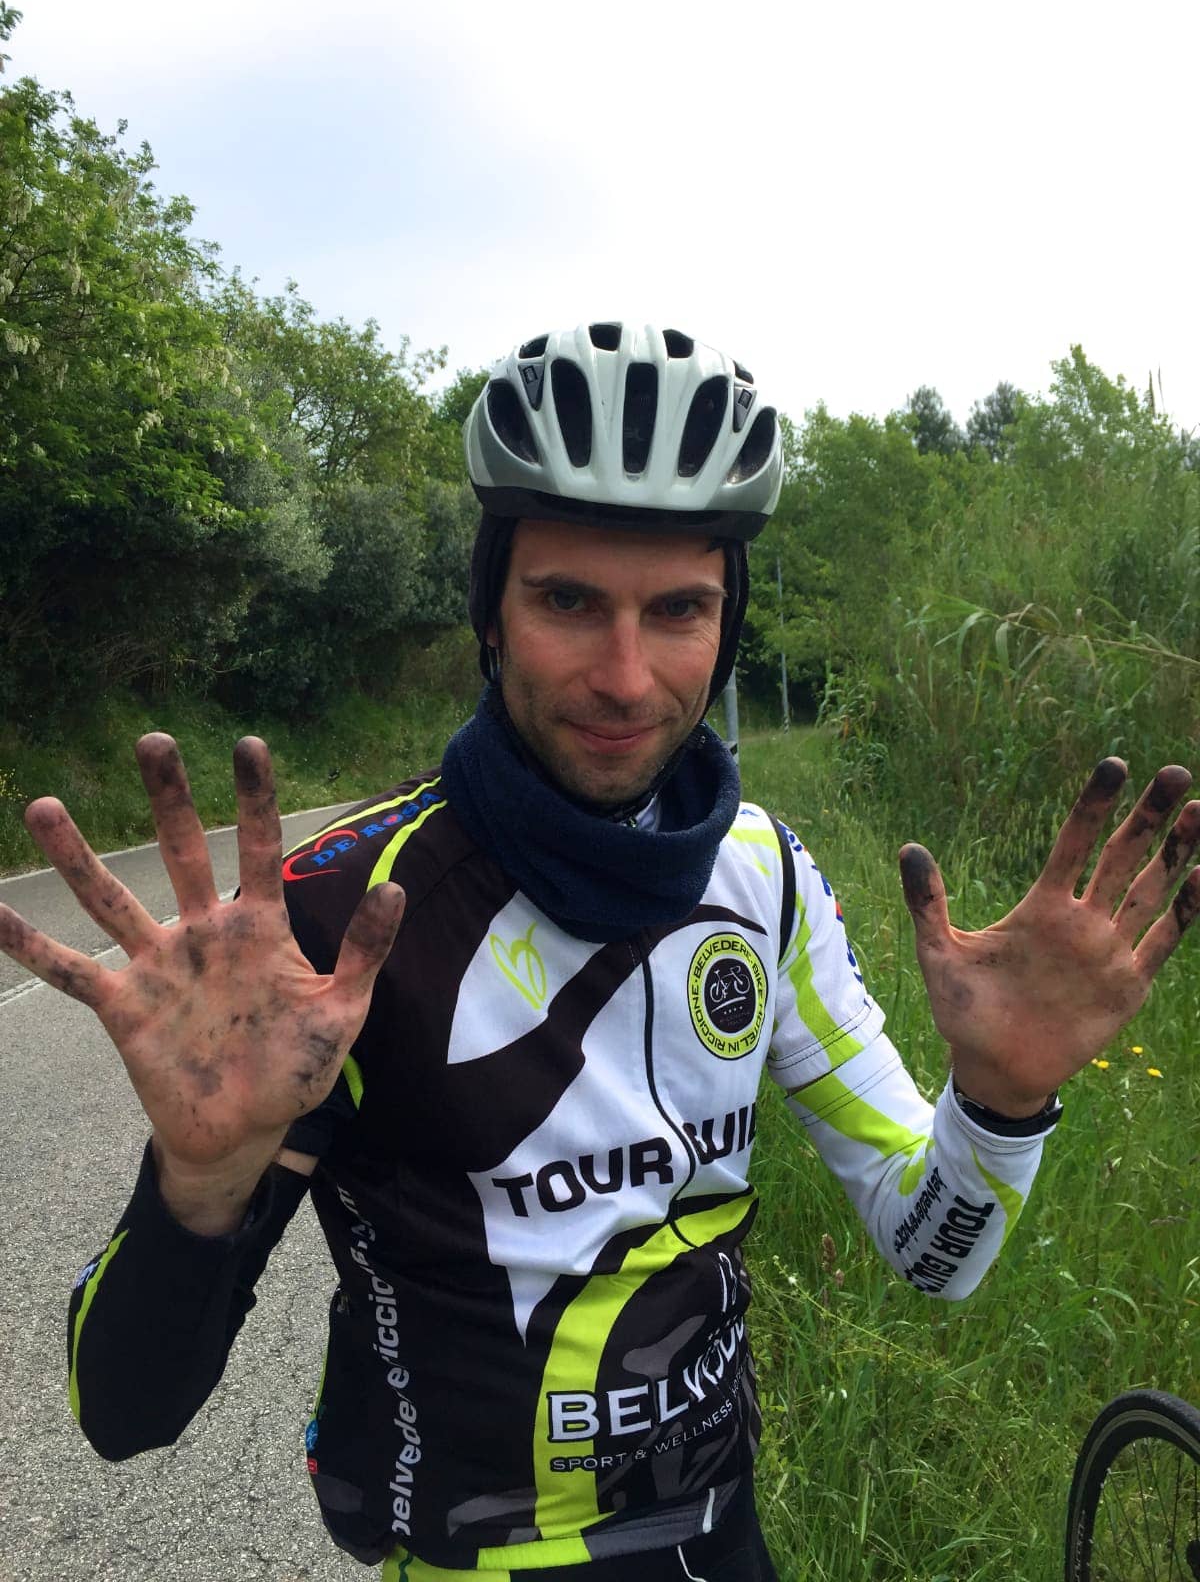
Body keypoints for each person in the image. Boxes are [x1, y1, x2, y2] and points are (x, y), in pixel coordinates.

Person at [3, 322, 1198, 1582]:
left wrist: (1002, 1104)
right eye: (569, 600)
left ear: (727, 625)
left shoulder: (764, 871)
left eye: (678, 608)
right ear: (492, 614)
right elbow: (122, 1417)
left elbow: (930, 1251)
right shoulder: (348, 912)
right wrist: (197, 1190)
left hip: (716, 1539)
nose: (627, 676)